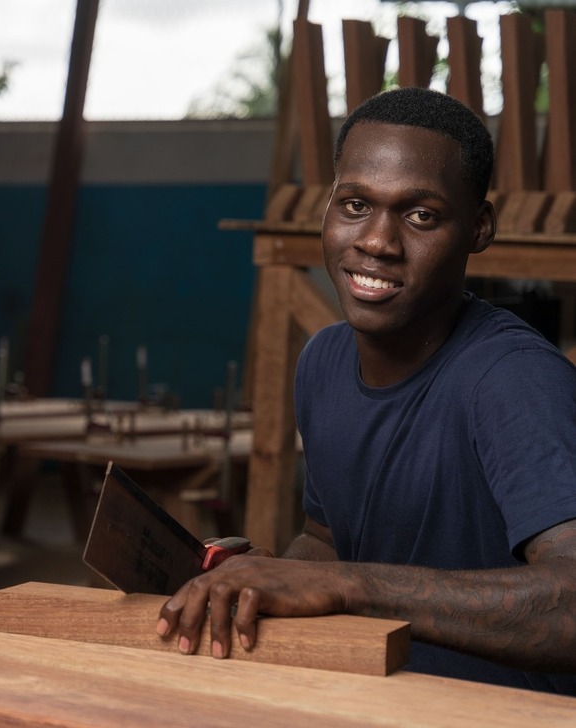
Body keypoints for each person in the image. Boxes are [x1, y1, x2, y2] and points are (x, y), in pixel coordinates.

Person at [155, 86, 576, 694]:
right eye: (354, 205)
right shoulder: (322, 362)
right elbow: (327, 543)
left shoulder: (514, 381)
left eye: (420, 215)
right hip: (370, 702)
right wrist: (266, 578)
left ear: (479, 229)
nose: (377, 240)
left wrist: (350, 585)